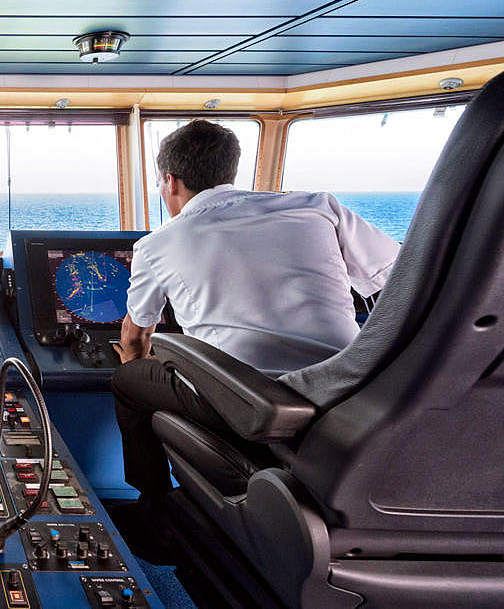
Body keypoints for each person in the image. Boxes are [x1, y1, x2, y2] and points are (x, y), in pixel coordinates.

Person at [110, 120, 400, 558]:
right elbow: (401, 283)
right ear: (230, 170)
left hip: (243, 398)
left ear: (170, 181)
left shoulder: (158, 244)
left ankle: (154, 508)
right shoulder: (319, 207)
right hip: (344, 390)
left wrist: (137, 360)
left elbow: (135, 337)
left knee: (127, 383)